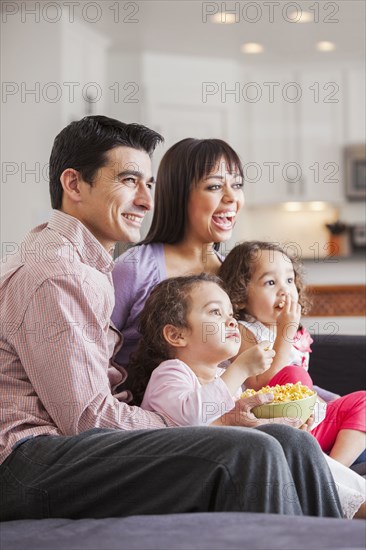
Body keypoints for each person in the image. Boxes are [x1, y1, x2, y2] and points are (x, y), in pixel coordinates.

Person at [0, 116, 343, 520]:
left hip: (66, 447)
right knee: (251, 451)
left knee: (290, 440)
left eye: (149, 185)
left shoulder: (82, 266)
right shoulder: (56, 274)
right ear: (74, 184)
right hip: (30, 461)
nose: (146, 200)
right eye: (129, 181)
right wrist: (203, 425)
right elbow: (86, 419)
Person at [127, 273, 365, 519]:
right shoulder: (171, 373)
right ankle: (355, 508)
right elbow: (191, 419)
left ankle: (359, 498)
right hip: (194, 476)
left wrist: (287, 424)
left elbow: (244, 429)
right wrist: (239, 369)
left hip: (242, 463)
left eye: (231, 314)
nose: (231, 321)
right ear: (177, 335)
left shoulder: (226, 378)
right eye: (215, 313)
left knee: (301, 450)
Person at [218, 241, 366, 468]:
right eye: (270, 282)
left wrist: (331, 401)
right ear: (239, 296)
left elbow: (308, 391)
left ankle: (334, 469)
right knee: (294, 374)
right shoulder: (242, 330)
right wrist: (285, 331)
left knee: (363, 401)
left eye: (289, 280)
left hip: (311, 423)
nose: (284, 290)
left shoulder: (293, 333)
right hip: (273, 424)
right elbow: (261, 383)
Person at [111, 137, 245, 369]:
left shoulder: (237, 274)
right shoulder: (134, 268)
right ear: (179, 195)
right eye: (214, 186)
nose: (232, 197)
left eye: (237, 185)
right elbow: (92, 356)